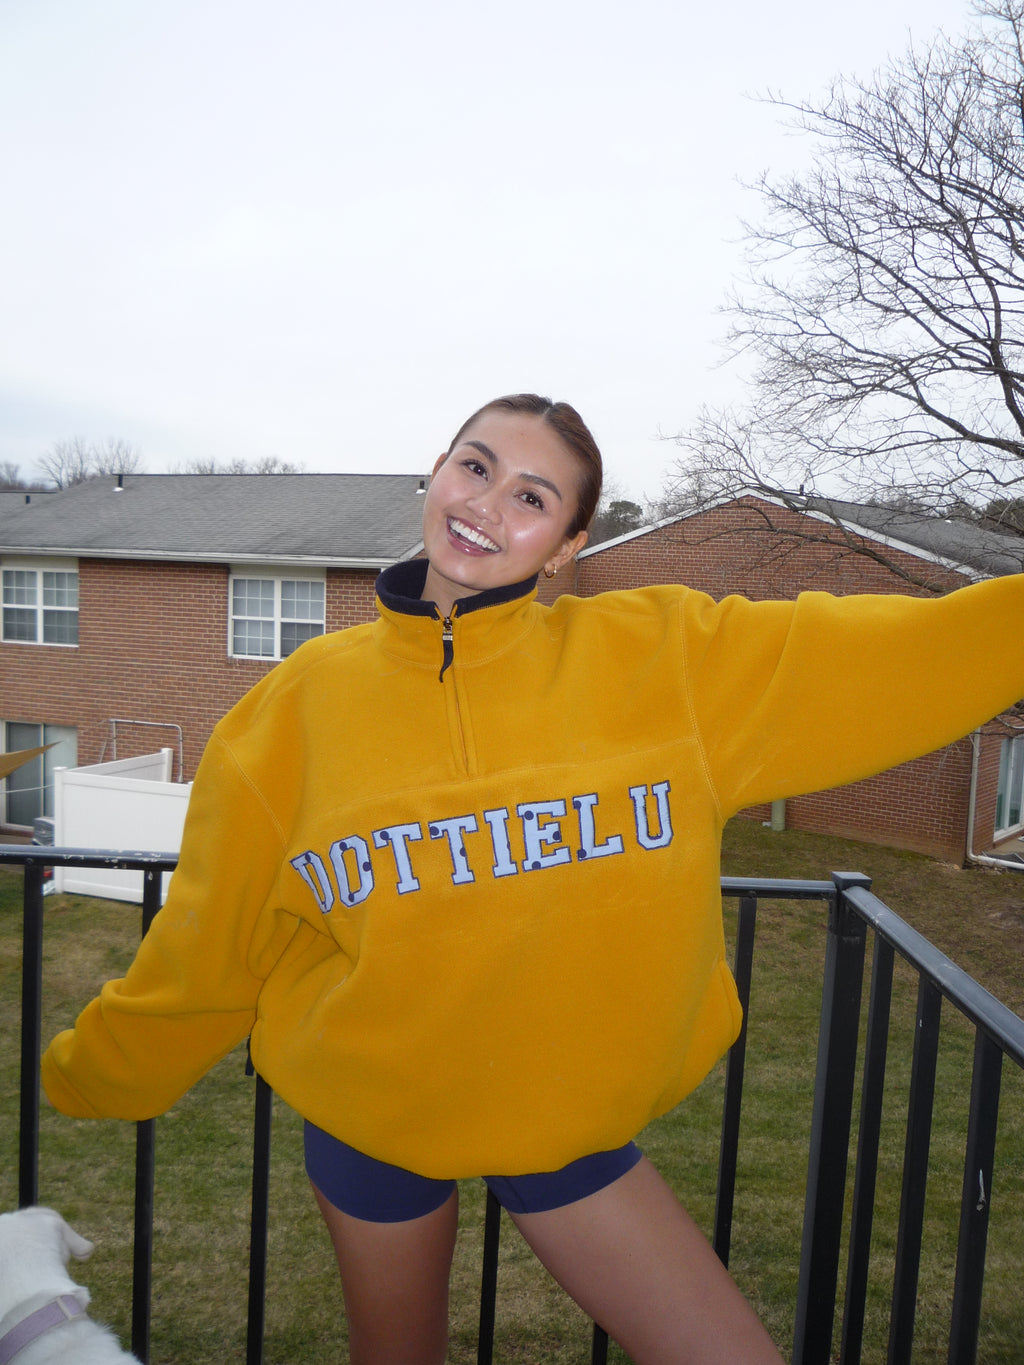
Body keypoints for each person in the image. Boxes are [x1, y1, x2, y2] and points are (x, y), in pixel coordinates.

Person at [42, 394, 1024, 1365]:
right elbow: (216, 936)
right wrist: (93, 1073)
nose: (485, 504)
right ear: (435, 473)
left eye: (531, 496)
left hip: (564, 1127)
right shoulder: (288, 713)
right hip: (372, 1124)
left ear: (566, 544)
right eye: (474, 467)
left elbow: (892, 657)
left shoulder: (662, 663)